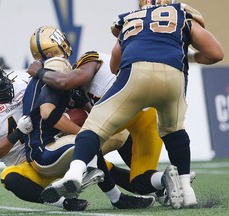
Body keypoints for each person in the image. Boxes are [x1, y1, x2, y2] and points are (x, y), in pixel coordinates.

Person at [40, 0, 224, 209]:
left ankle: (76, 172)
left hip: (135, 81)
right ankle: (185, 187)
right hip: (170, 81)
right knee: (174, 132)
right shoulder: (180, 14)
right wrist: (187, 55)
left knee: (93, 127)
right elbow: (216, 54)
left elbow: (114, 66)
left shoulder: (127, 20)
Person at [24, 25, 155, 209]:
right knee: (90, 136)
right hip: (46, 151)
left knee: (114, 135)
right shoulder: (56, 66)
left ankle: (144, 182)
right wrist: (83, 132)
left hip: (46, 148)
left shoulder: (47, 72)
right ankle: (89, 173)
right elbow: (46, 112)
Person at [0, 61, 91, 211]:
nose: (6, 87)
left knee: (85, 141)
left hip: (51, 143)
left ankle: (115, 194)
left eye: (4, 82)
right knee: (9, 177)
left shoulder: (21, 84)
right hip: (26, 163)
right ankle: (63, 202)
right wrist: (18, 133)